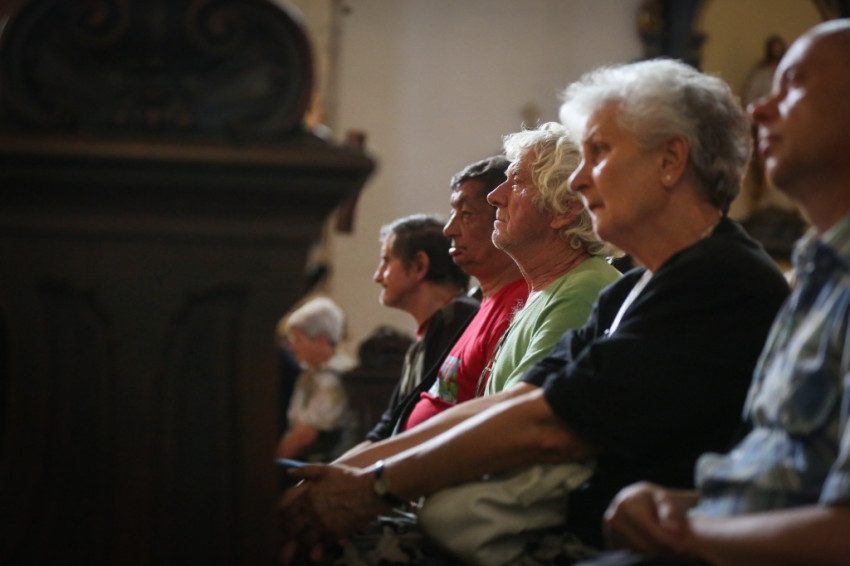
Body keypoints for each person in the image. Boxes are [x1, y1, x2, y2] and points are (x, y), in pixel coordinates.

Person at [279, 58, 789, 564]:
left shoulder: (720, 280)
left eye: (599, 152)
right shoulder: (630, 289)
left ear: (670, 160)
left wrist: (374, 489)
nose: (580, 181)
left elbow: (548, 427)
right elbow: (516, 401)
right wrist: (354, 474)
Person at [580, 19, 850, 566]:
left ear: (671, 161)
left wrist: (687, 535)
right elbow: (777, 475)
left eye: (794, 84)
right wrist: (677, 504)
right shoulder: (816, 278)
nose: (760, 109)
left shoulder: (730, 277)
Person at [400, 155, 528, 430]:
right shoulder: (481, 303)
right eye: (453, 213)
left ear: (504, 215)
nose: (449, 230)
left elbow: (496, 425)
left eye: (466, 214)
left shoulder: (519, 307)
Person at [361, 214, 479, 442]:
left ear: (419, 266)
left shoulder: (458, 321)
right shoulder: (434, 329)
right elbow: (390, 423)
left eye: (386, 260)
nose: (378, 276)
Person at [275, 297, 355, 462]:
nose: (292, 347)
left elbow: (305, 436)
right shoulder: (310, 374)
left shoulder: (331, 378)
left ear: (321, 340)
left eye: (297, 339)